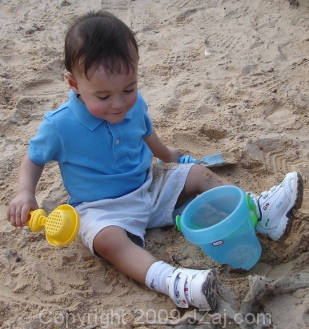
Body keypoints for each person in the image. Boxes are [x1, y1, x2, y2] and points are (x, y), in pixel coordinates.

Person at [7, 11, 303, 311]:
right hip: (101, 208)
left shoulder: (134, 107)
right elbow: (33, 158)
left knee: (200, 174)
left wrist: (177, 159)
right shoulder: (60, 125)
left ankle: (258, 213)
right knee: (108, 241)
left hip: (149, 187)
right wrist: (25, 192)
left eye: (128, 89)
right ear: (74, 85)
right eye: (104, 96)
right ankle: (172, 281)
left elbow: (152, 140)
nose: (119, 103)